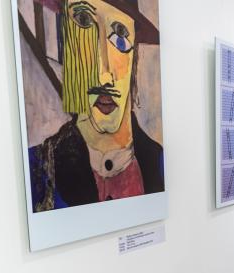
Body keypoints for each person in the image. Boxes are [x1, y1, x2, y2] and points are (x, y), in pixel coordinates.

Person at [28, 0, 164, 212]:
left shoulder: (160, 163)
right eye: (83, 24)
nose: (105, 74)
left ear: (134, 57)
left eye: (120, 35)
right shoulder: (38, 169)